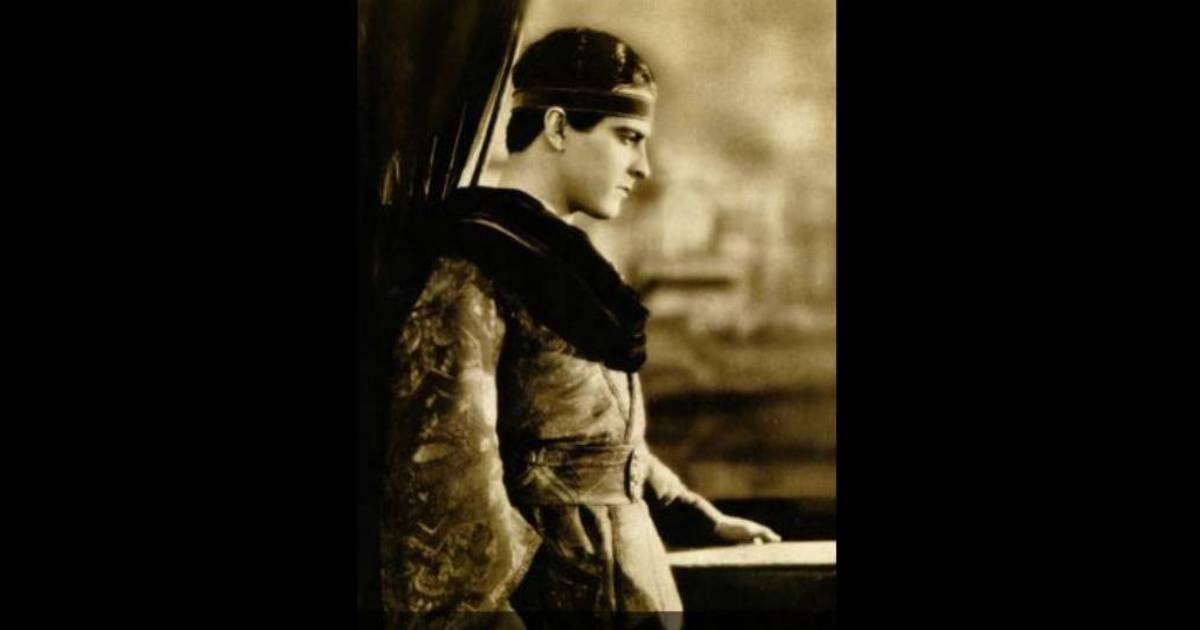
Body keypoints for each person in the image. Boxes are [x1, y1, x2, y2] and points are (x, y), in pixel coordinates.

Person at [379, 27, 780, 625]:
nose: (643, 167)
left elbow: (594, 443)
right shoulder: (471, 271)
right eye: (627, 138)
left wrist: (693, 514)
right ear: (558, 127)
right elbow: (447, 486)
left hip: (638, 594)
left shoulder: (566, 267)